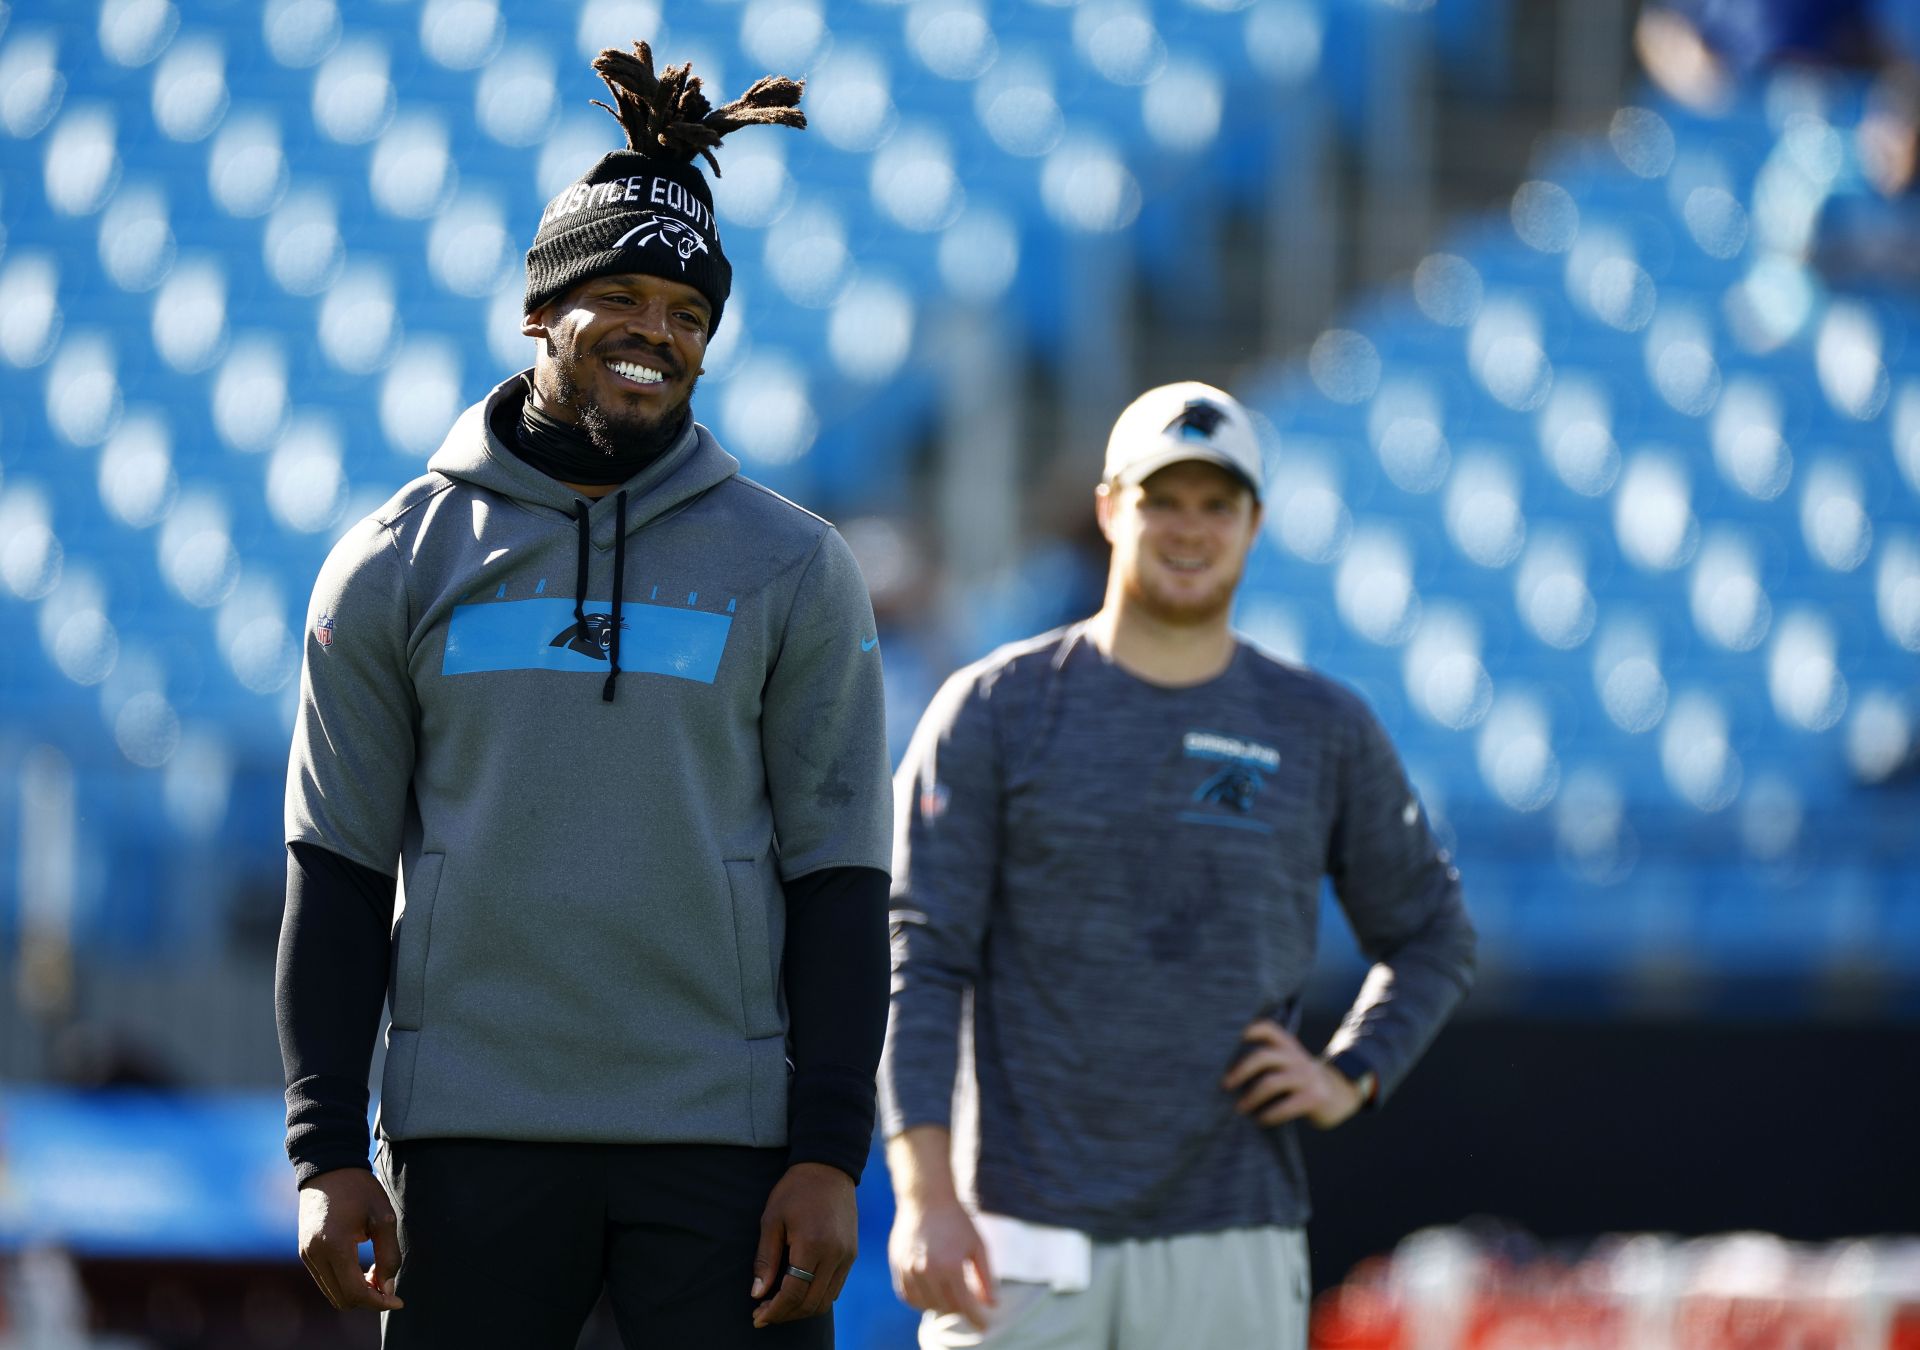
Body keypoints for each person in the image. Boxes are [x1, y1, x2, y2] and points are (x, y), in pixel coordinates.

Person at [274, 42, 892, 1348]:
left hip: (726, 1143)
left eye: (688, 316)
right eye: (620, 294)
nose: (655, 335)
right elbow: (332, 874)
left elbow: (840, 877)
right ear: (539, 310)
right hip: (470, 1134)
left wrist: (832, 1153)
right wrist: (325, 1149)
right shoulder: (395, 561)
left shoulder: (793, 566)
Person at [878, 383, 1478, 1349]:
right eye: (1164, 499)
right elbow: (922, 962)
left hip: (1231, 1247)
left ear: (1254, 523)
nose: (1190, 529)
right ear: (1113, 507)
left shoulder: (1320, 727)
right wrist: (925, 1195)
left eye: (1217, 503)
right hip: (1019, 1237)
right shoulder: (990, 711)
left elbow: (1433, 933)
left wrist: (1350, 1072)